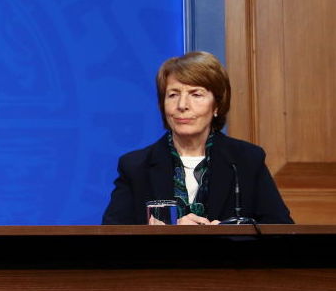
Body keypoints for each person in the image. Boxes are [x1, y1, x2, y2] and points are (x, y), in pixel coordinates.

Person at [102, 51, 292, 225]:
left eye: (196, 94)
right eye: (173, 95)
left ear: (217, 105)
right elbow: (109, 241)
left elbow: (282, 234)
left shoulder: (246, 160)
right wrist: (159, 235)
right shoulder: (136, 166)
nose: (182, 105)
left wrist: (227, 235)